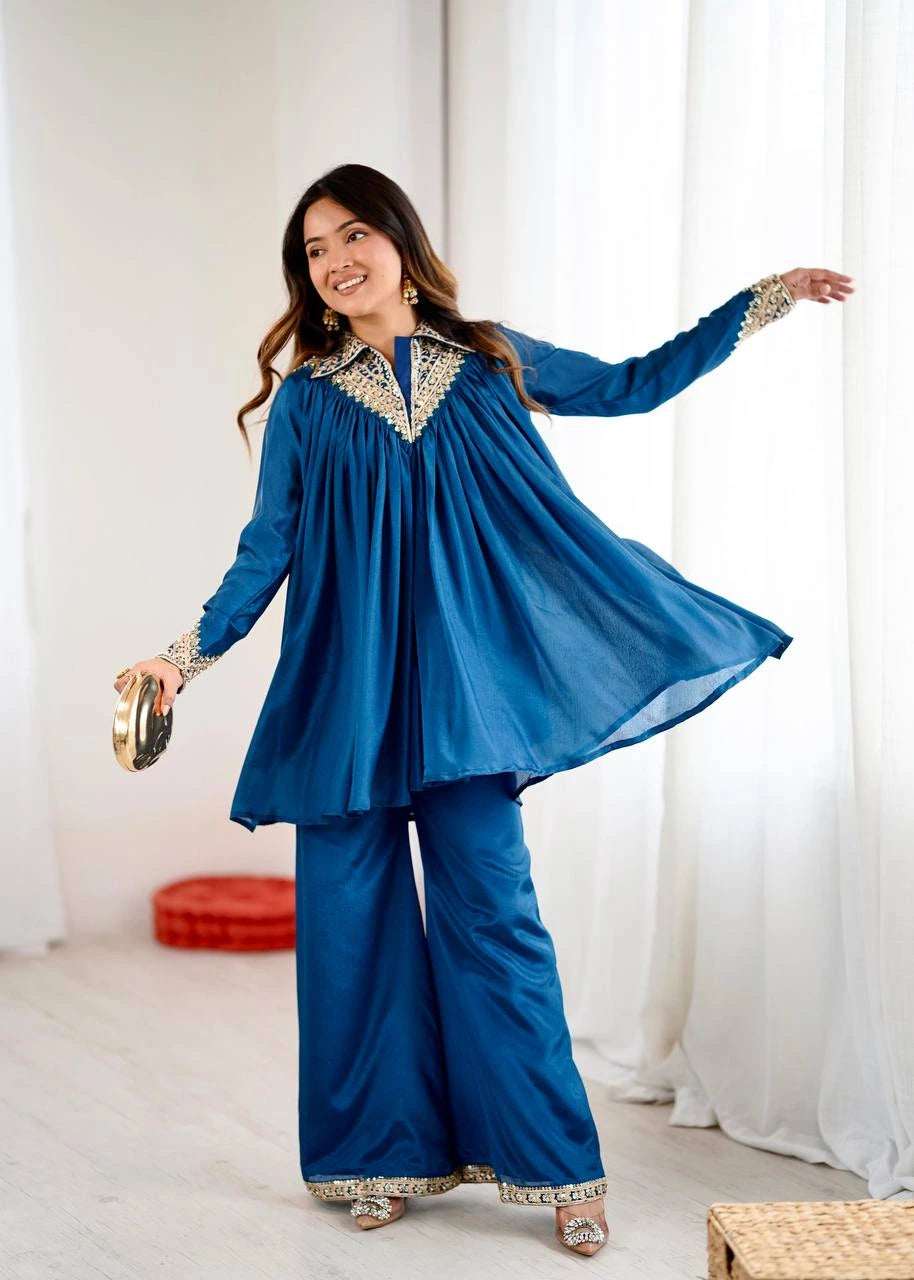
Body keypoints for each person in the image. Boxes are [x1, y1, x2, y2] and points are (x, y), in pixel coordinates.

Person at [113, 163, 854, 1257]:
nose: (335, 260)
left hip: (464, 704)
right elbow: (264, 551)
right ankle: (373, 1153)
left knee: (496, 925)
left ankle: (557, 1168)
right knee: (349, 934)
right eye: (315, 250)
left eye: (353, 234)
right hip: (342, 703)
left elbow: (631, 384)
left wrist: (759, 302)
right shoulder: (309, 402)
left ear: (400, 241)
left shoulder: (491, 359)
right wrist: (181, 659)